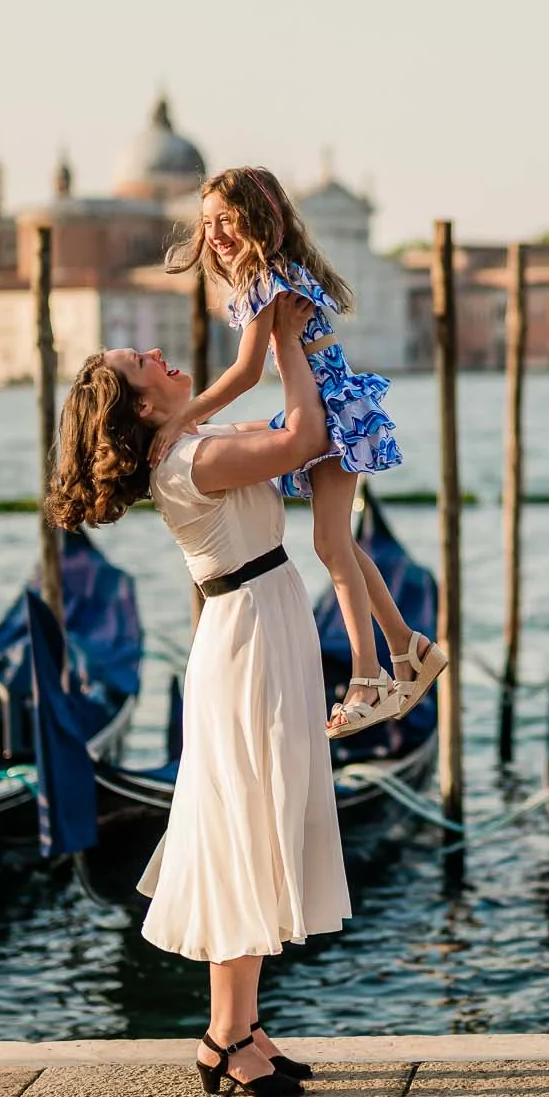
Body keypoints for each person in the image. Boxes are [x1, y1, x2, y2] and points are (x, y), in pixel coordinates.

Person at [42, 293, 340, 1097]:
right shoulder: (192, 461)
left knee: (252, 823)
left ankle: (239, 1028)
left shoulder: (190, 443)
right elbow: (305, 437)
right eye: (147, 365)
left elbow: (249, 394)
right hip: (248, 637)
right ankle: (225, 1035)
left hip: (259, 622)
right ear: (142, 404)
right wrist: (283, 338)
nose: (164, 358)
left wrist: (272, 330)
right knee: (244, 826)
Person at [148, 166, 446, 739]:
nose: (215, 233)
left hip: (329, 409)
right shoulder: (270, 275)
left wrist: (185, 417)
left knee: (332, 544)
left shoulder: (266, 278)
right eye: (208, 222)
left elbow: (245, 372)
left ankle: (369, 678)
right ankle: (407, 649)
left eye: (227, 219)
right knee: (342, 546)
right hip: (326, 406)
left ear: (262, 220)